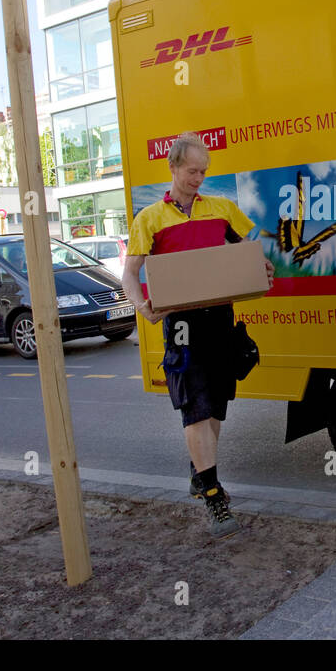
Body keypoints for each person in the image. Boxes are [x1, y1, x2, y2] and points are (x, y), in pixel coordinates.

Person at [121, 132, 273, 540]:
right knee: (196, 406)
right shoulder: (150, 219)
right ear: (172, 167)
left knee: (217, 405)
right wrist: (143, 307)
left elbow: (248, 253)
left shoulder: (221, 210)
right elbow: (129, 274)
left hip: (221, 318)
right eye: (192, 171)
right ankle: (212, 495)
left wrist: (262, 269)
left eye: (204, 172)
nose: (198, 178)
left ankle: (199, 471)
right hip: (182, 323)